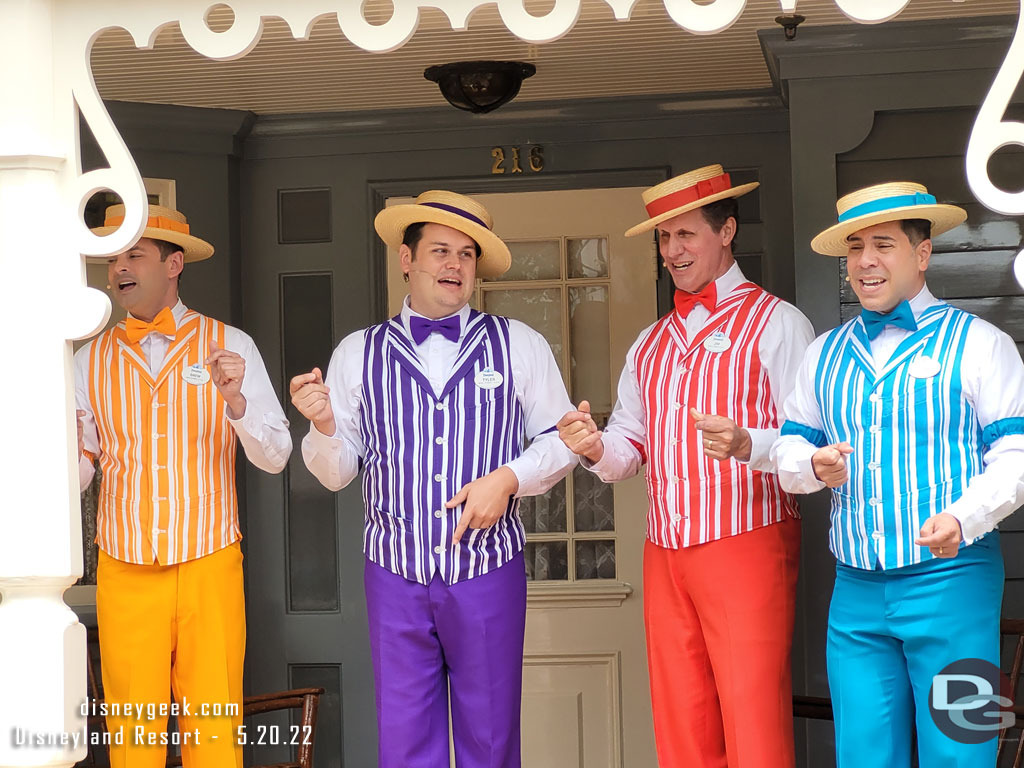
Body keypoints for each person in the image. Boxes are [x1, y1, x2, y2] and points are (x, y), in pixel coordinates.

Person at [290, 190, 577, 768]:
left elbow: (562, 440)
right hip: (394, 572)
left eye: (467, 255)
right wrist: (322, 424)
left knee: (491, 740)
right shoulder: (357, 353)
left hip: (487, 569)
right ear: (406, 259)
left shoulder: (520, 344)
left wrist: (510, 477)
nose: (454, 265)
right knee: (404, 743)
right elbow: (339, 471)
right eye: (440, 250)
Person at [557, 165, 814, 768]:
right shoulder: (648, 343)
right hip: (664, 549)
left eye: (685, 235)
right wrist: (594, 446)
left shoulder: (779, 323)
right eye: (663, 239)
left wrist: (748, 441)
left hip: (748, 539)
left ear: (726, 231)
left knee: (752, 715)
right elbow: (629, 447)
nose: (672, 251)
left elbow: (811, 443)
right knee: (680, 716)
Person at [772, 181, 1024, 766]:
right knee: (863, 755)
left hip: (954, 581)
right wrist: (812, 464)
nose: (865, 261)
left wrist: (964, 516)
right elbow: (788, 455)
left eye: (883, 244)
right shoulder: (824, 354)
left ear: (923, 252)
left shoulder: (982, 345)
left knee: (962, 752)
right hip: (855, 592)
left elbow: (1015, 457)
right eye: (854, 247)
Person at [75, 204, 292, 768]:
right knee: (132, 732)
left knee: (215, 726)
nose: (119, 268)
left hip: (210, 561)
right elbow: (80, 470)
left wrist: (236, 402)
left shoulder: (231, 345)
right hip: (124, 565)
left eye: (133, 255)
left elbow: (274, 457)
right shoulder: (85, 360)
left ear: (174, 264)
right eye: (113, 258)